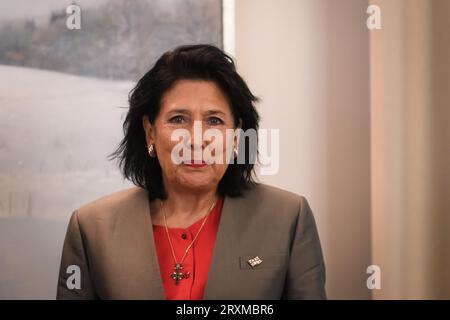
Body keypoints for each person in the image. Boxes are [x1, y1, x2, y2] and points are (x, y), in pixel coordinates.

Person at [56, 44, 326, 299]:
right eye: (178, 119)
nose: (197, 139)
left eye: (214, 121)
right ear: (150, 132)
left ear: (236, 137)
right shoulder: (92, 229)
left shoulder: (288, 218)